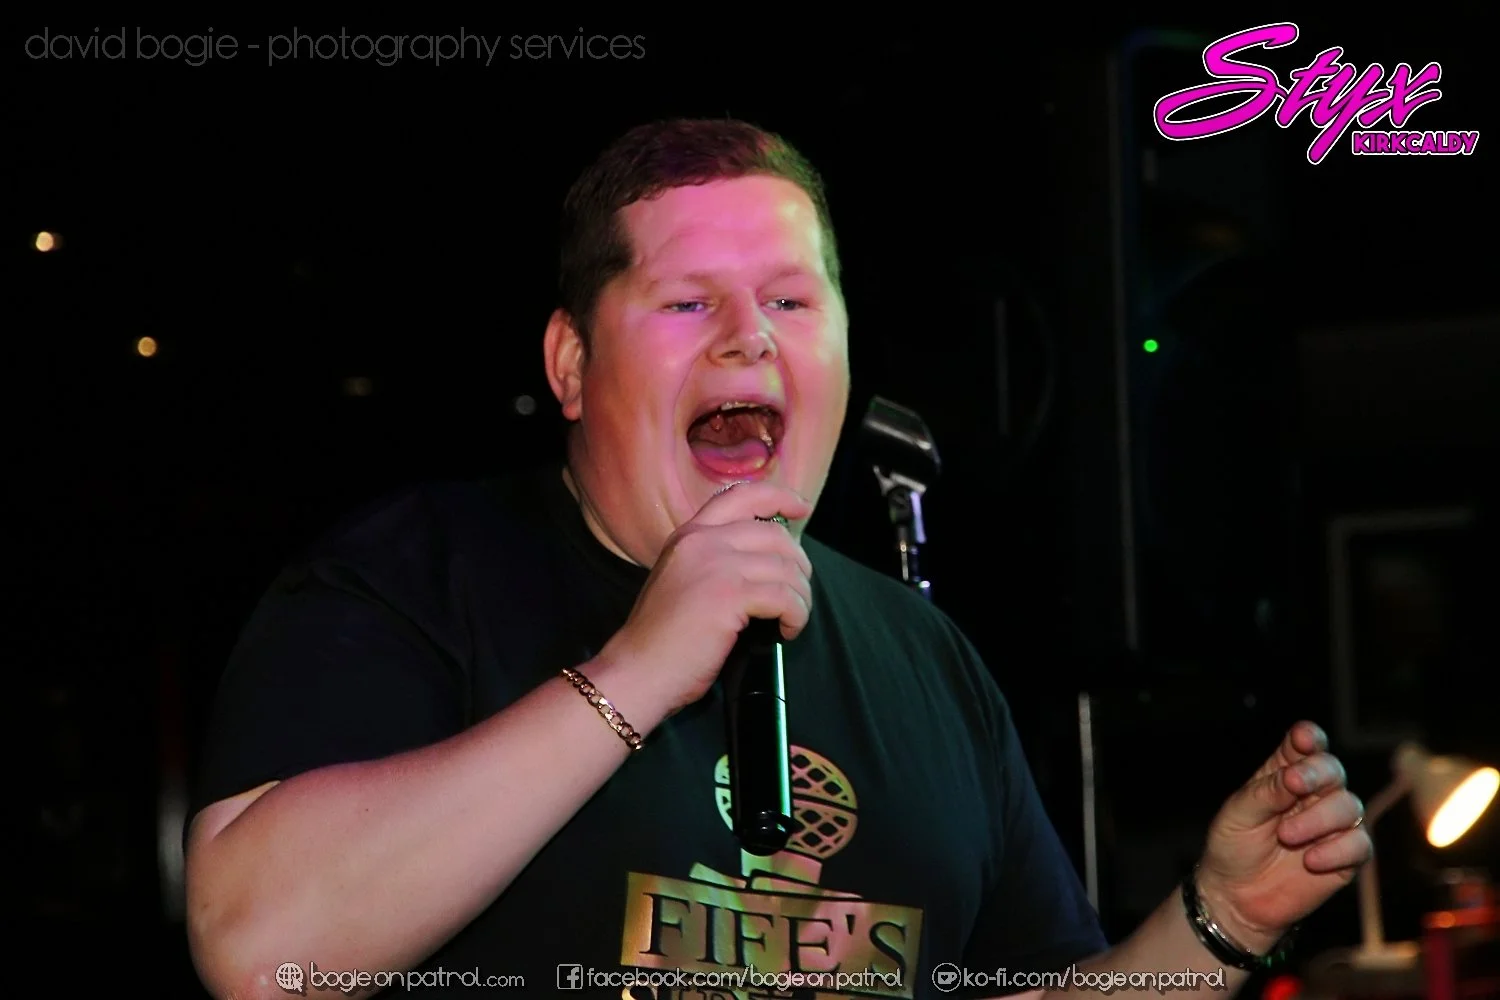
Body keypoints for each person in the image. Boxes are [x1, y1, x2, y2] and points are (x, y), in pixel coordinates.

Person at [184, 119, 1370, 1000]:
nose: (749, 336)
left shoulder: (923, 657)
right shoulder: (409, 580)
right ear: (571, 364)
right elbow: (260, 950)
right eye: (688, 304)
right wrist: (638, 672)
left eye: (792, 303)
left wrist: (1220, 919)